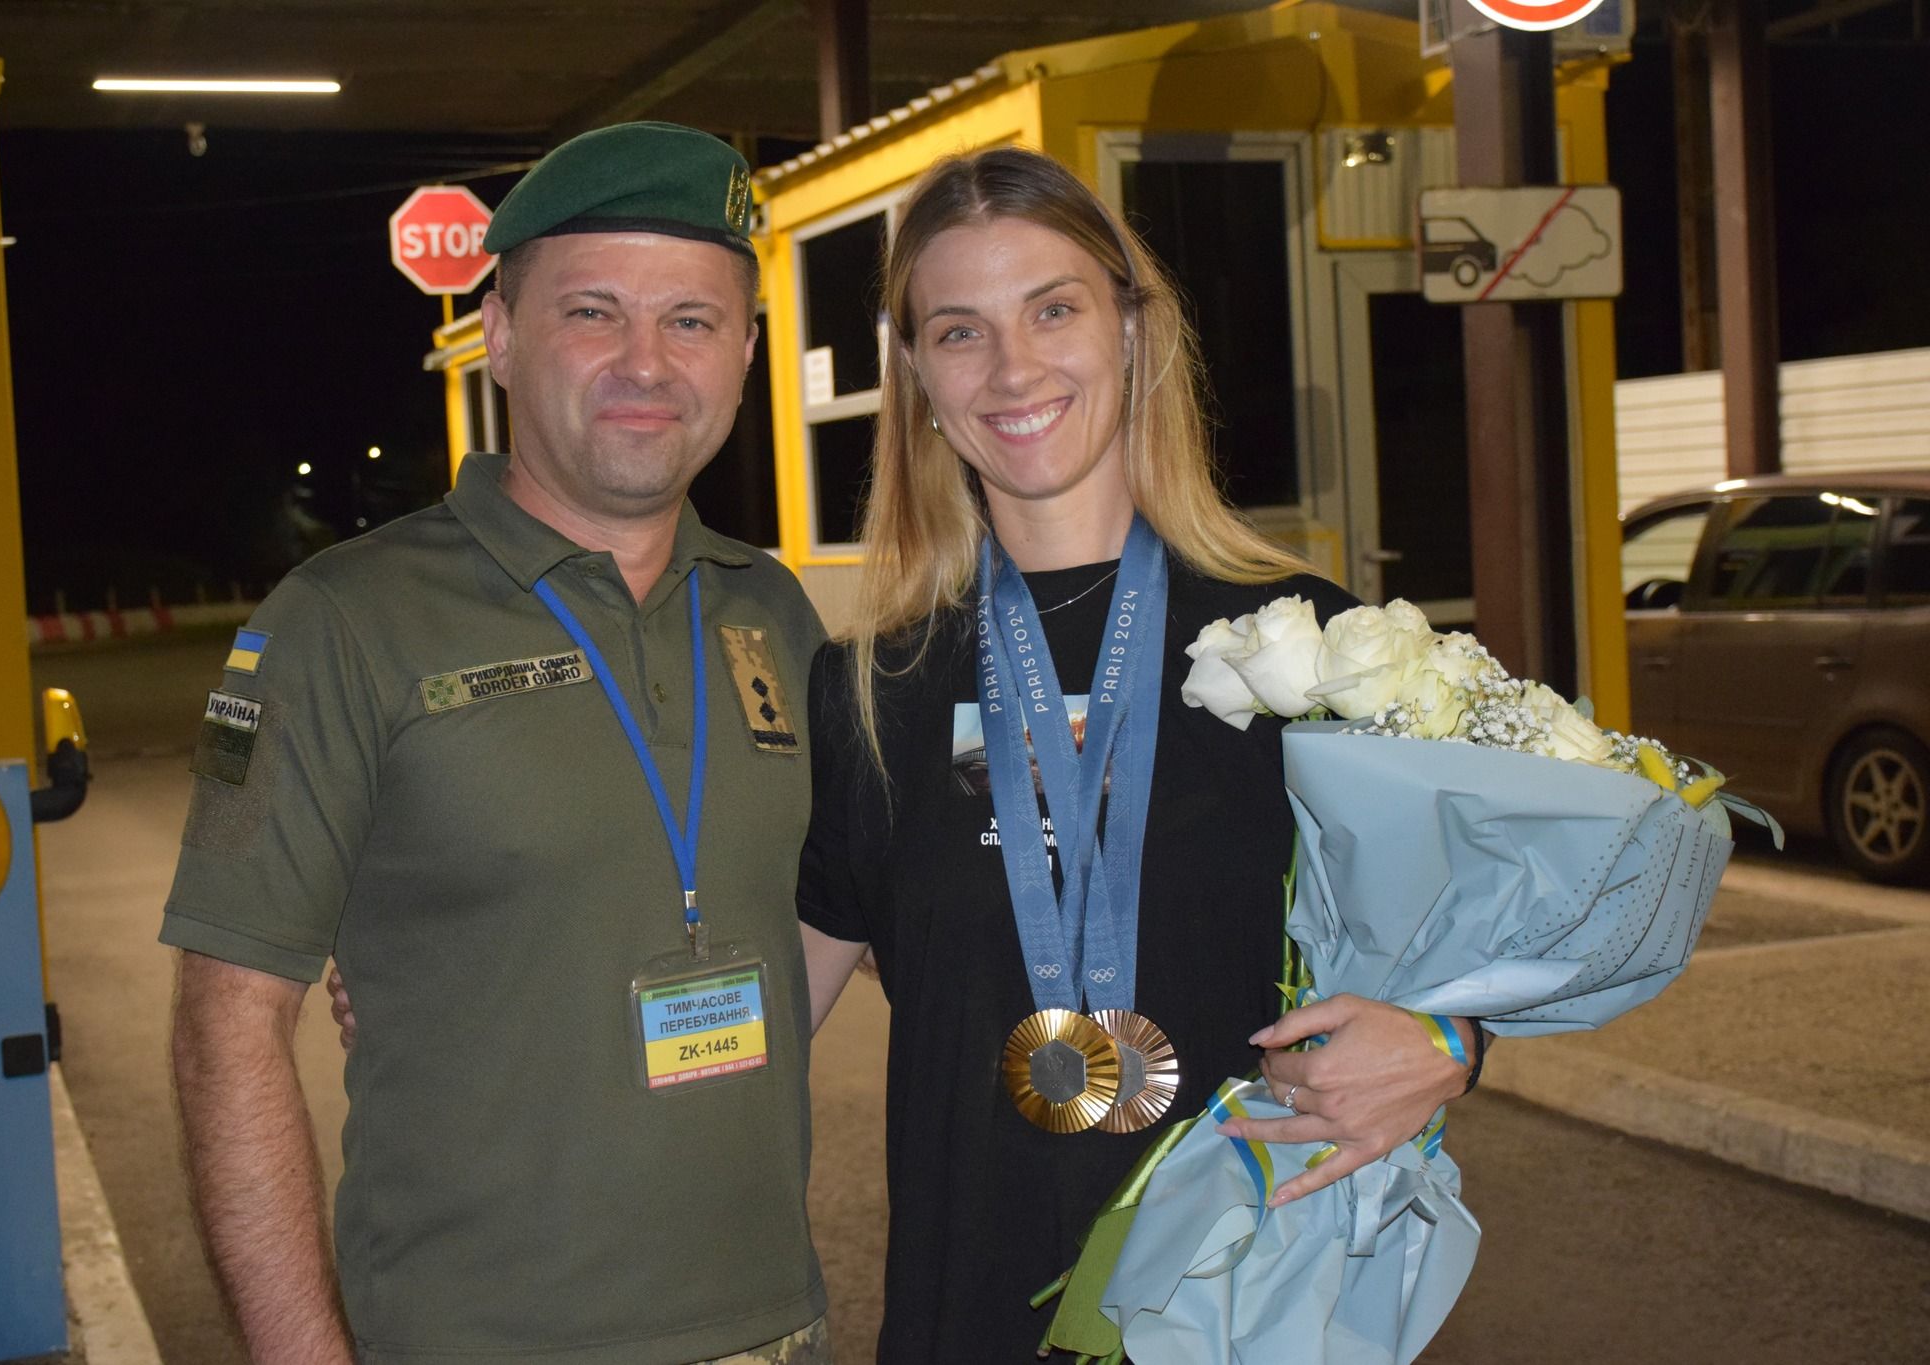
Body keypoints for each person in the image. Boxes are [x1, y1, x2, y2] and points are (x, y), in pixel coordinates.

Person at [790, 147, 1481, 1362]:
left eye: (1051, 310)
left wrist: (1451, 1044)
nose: (1011, 367)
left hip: (1243, 1308)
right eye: (958, 332)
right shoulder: (870, 689)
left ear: (1128, 328)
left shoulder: (1308, 647)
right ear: (917, 378)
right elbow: (765, 1008)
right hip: (967, 1317)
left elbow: (1473, 929)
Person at [163, 122, 832, 1365]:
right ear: (501, 336)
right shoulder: (339, 621)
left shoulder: (773, 616)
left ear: (744, 353)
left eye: (691, 320)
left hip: (775, 1328)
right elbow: (226, 1025)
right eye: (592, 312)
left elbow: (833, 920)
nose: (645, 362)